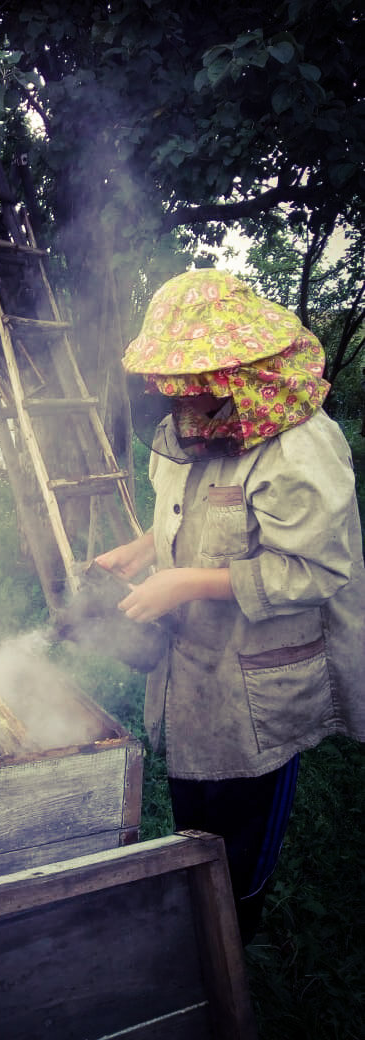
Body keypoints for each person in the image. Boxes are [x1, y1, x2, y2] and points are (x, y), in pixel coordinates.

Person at [95, 268, 365, 943]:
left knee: (240, 827)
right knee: (194, 804)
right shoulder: (191, 425)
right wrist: (145, 549)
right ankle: (195, 917)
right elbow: (193, 516)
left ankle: (233, 943)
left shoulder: (301, 446)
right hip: (194, 668)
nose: (175, 397)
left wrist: (184, 582)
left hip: (261, 681)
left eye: (190, 383)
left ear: (237, 371)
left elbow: (316, 569)